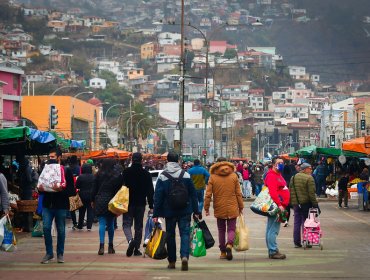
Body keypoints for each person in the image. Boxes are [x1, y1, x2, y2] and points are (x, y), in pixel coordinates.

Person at [153, 151, 199, 271]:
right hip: (185, 210)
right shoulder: (186, 174)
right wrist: (196, 211)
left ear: (167, 161)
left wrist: (156, 214)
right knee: (185, 233)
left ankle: (172, 261)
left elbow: (158, 196)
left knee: (170, 235)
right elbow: (193, 194)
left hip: (169, 211)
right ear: (178, 160)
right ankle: (184, 256)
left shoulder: (163, 175)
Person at [38, 149, 75, 264]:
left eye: (53, 157)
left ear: (59, 157)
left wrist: (59, 190)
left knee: (61, 230)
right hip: (47, 205)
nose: (50, 159)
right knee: (46, 228)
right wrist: (41, 190)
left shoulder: (66, 170)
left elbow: (71, 190)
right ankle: (49, 253)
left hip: (61, 205)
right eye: (49, 156)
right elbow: (41, 186)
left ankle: (60, 254)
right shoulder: (45, 170)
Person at [204, 157, 244, 261]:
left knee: (221, 230)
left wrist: (206, 207)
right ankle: (229, 245)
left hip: (219, 206)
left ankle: (222, 252)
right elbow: (238, 193)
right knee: (231, 228)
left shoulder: (212, 177)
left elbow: (208, 194)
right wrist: (241, 206)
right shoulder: (234, 176)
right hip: (232, 206)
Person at [122, 152, 154, 257]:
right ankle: (136, 249)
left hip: (128, 203)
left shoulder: (126, 172)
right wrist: (151, 205)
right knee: (138, 226)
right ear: (141, 160)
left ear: (132, 160)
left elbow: (120, 186)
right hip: (140, 203)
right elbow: (150, 191)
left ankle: (130, 241)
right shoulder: (146, 174)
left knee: (126, 224)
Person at [91, 158, 123, 255]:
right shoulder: (117, 176)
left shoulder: (98, 175)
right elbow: (120, 190)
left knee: (101, 223)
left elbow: (94, 189)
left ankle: (101, 246)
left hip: (100, 200)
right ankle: (110, 246)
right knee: (110, 224)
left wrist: (93, 200)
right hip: (112, 201)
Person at [264, 157, 290, 259]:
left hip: (279, 205)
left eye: (282, 163)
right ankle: (273, 250)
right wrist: (279, 204)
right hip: (276, 206)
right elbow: (273, 192)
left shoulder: (278, 175)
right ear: (274, 164)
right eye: (279, 163)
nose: (281, 164)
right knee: (273, 229)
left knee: (271, 228)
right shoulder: (271, 175)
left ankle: (272, 249)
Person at [288, 163, 319, 248]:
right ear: (305, 169)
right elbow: (311, 194)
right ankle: (307, 241)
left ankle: (296, 242)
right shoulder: (309, 178)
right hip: (306, 204)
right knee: (306, 222)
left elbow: (290, 190)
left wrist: (292, 202)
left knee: (296, 222)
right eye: (310, 168)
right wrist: (315, 205)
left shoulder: (293, 177)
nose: (311, 170)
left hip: (296, 204)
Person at [76, 163, 95, 231]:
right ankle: (89, 226)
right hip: (91, 195)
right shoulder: (93, 176)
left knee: (82, 211)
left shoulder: (80, 176)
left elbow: (77, 186)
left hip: (82, 195)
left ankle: (80, 225)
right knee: (90, 210)